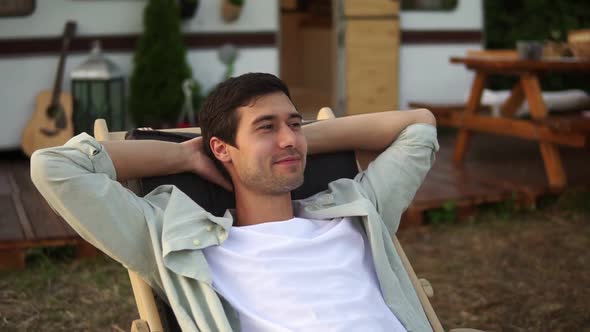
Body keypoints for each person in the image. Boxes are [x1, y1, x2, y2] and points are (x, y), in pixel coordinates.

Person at [31, 73, 438, 332]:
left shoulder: (355, 208)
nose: (289, 138)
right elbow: (54, 168)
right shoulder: (182, 242)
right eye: (266, 127)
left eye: (294, 124)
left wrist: (295, 141)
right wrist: (183, 155)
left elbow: (419, 126)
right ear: (221, 149)